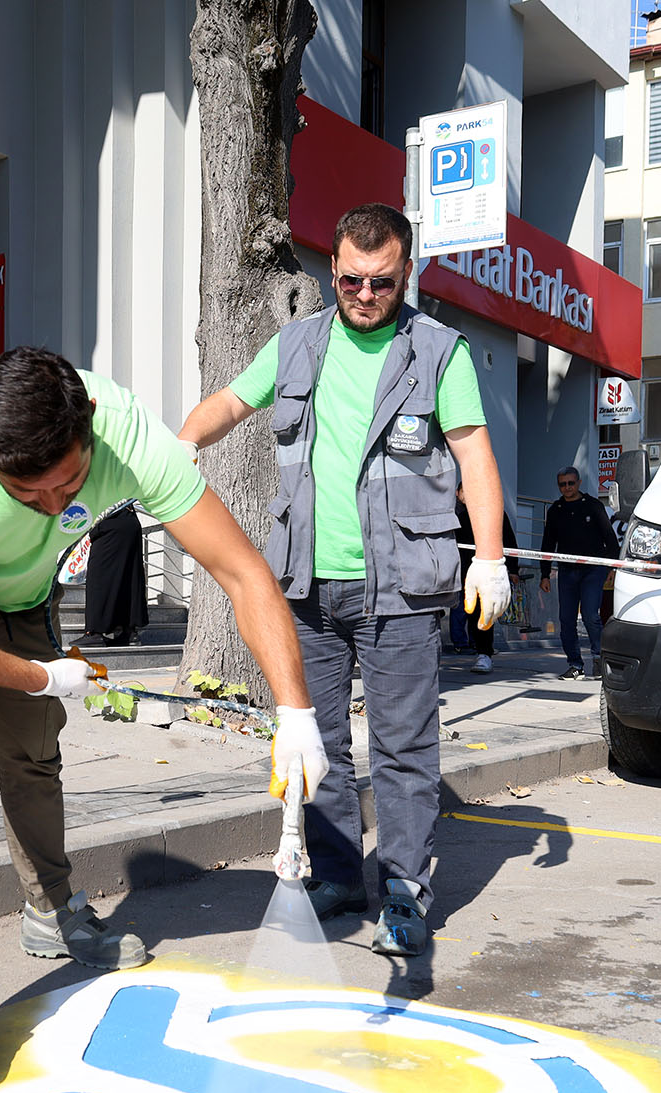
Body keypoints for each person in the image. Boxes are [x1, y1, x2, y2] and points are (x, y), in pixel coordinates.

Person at [0, 345, 326, 1093]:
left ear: (90, 430)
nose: (49, 506)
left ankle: (49, 906)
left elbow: (241, 570)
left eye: (66, 485)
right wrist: (41, 675)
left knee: (34, 750)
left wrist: (295, 708)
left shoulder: (128, 434)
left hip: (19, 589)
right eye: (25, 491)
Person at [177, 202, 512, 960]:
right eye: (353, 279)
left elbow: (476, 460)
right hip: (303, 585)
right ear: (331, 271)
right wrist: (185, 442)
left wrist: (488, 554)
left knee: (402, 747)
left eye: (383, 281)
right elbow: (229, 403)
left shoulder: (438, 352)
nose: (366, 294)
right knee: (315, 741)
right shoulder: (296, 346)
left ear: (406, 274)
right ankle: (334, 875)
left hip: (403, 588)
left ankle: (402, 890)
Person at [538, 466, 619, 680]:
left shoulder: (593, 506)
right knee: (566, 619)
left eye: (570, 483)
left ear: (579, 483)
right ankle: (575, 665)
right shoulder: (555, 510)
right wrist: (544, 574)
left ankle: (599, 659)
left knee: (592, 616)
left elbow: (610, 539)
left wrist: (612, 567)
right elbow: (547, 544)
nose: (567, 488)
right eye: (562, 484)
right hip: (566, 572)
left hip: (593, 570)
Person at [454, 483, 519, 674]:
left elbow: (508, 539)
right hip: (457, 573)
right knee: (462, 612)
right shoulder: (454, 514)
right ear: (458, 494)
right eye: (464, 491)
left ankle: (484, 653)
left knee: (482, 612)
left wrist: (513, 569)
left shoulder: (493, 511)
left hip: (483, 572)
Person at [74, 503, 147, 648]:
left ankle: (94, 633)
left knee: (99, 577)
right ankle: (129, 632)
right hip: (129, 520)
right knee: (128, 575)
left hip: (110, 520)